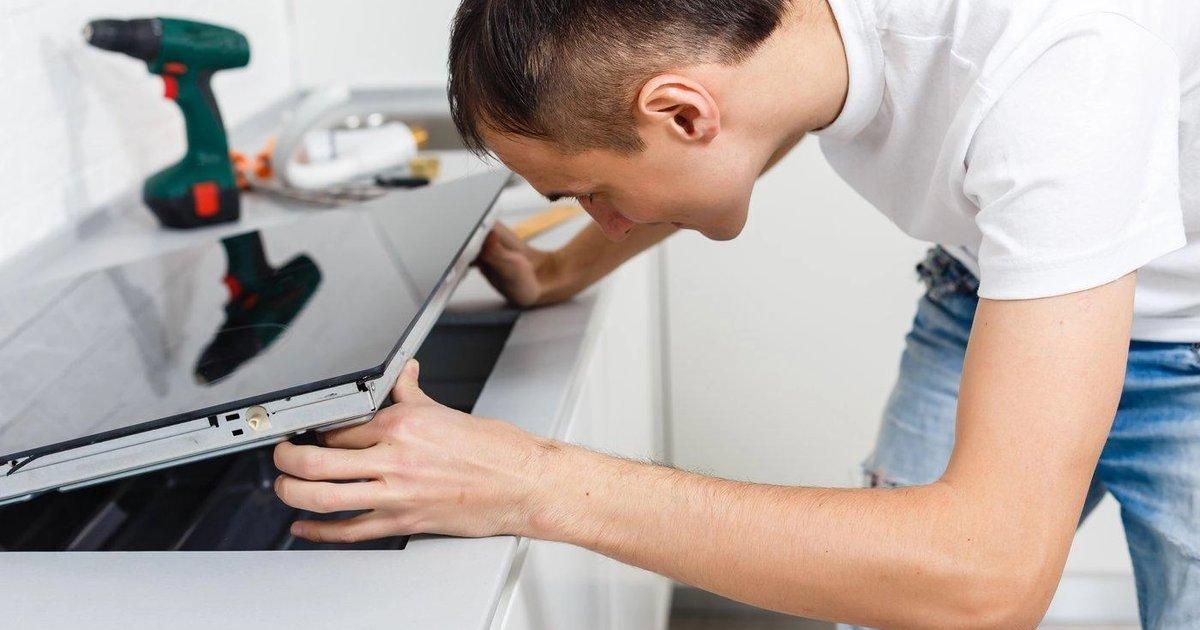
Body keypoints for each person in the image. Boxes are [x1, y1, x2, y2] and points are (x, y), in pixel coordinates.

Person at [272, 1, 1200, 626]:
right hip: (994, 285)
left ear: (680, 115)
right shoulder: (785, 35)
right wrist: (565, 268)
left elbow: (990, 571)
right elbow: (763, 110)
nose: (595, 211)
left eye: (589, 189)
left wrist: (531, 481)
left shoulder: (1063, 73)